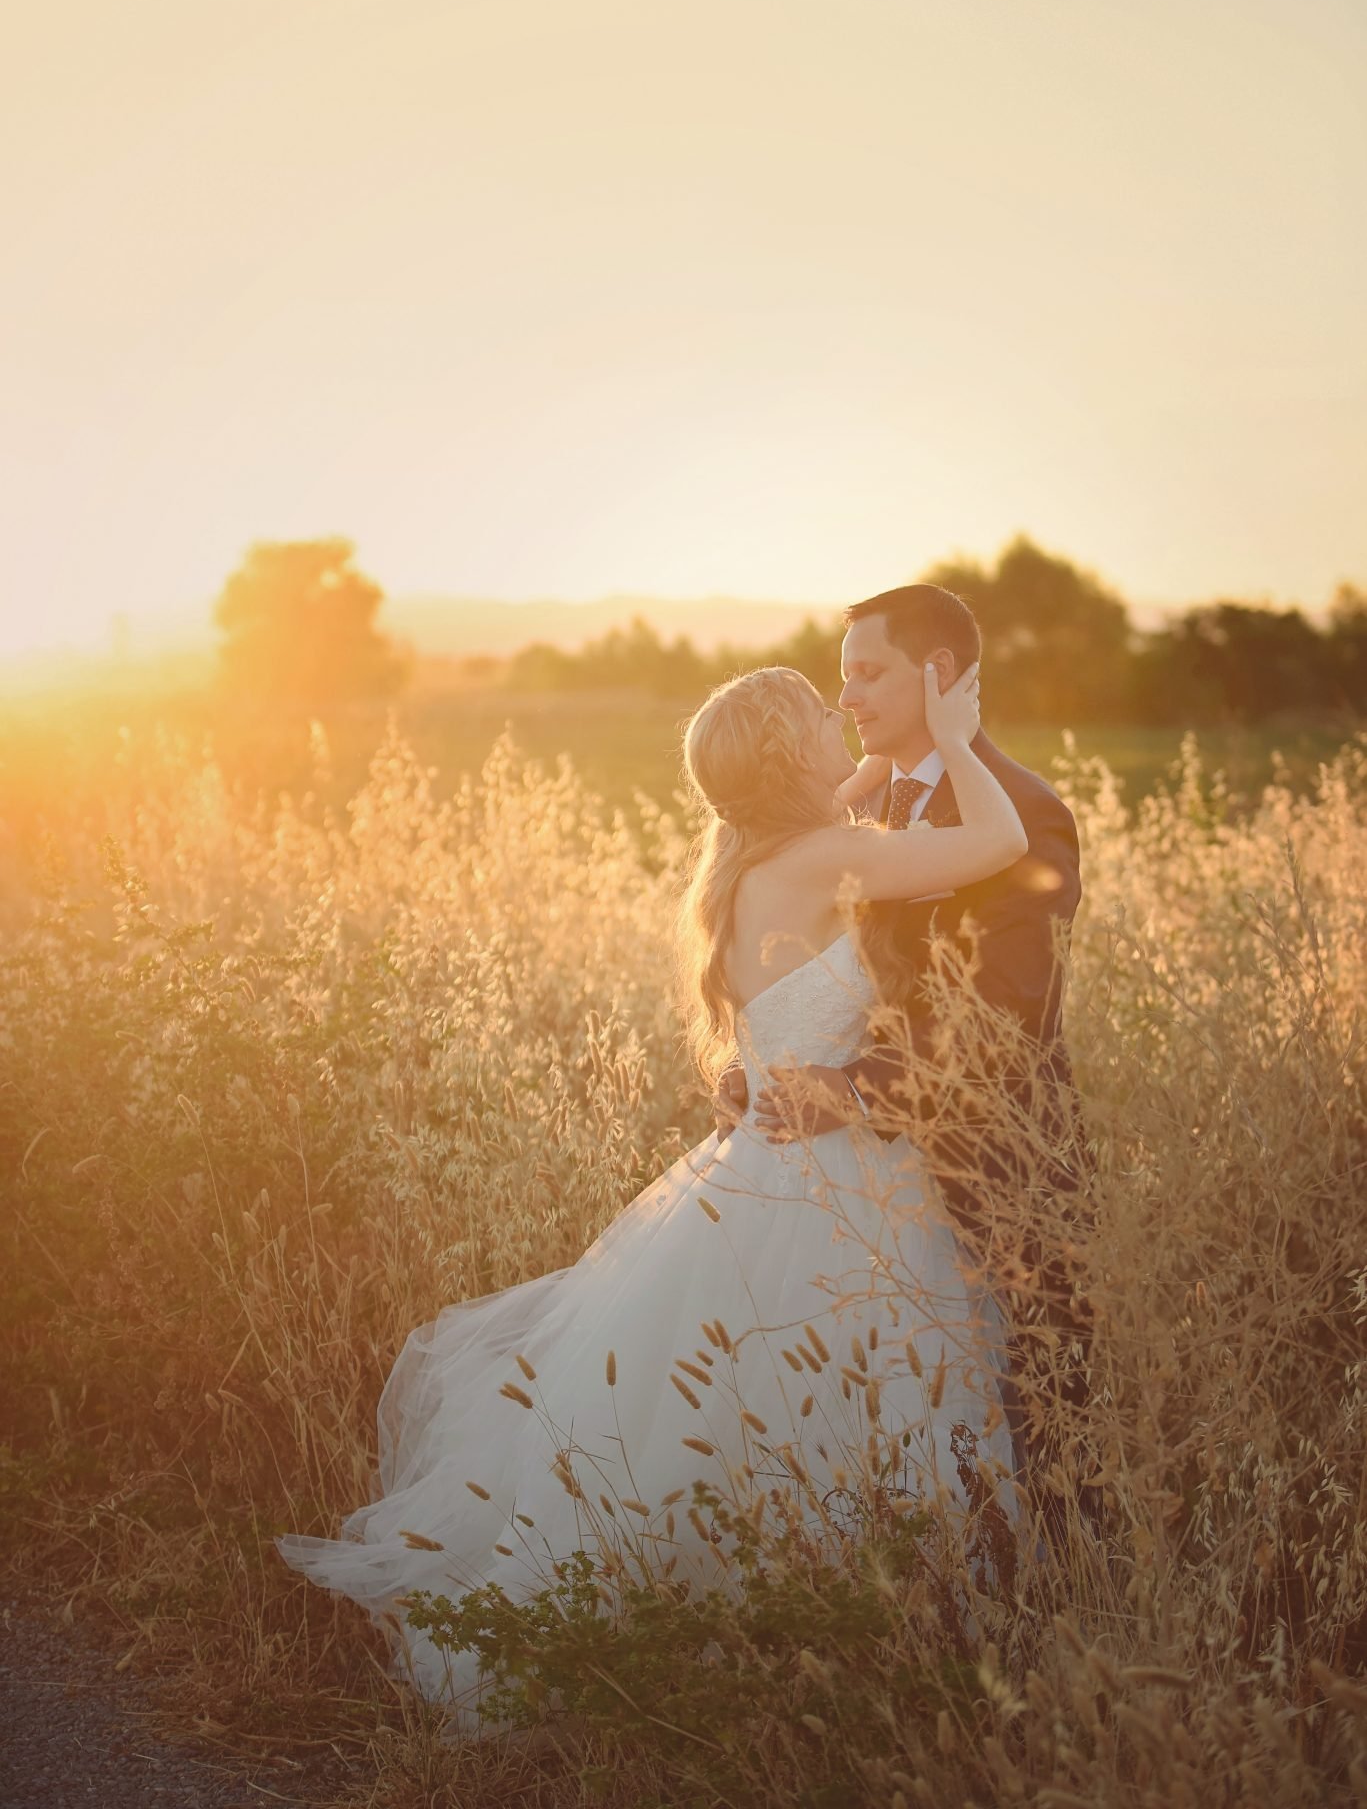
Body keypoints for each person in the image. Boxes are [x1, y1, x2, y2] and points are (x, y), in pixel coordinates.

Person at [278, 655, 1027, 1721]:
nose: (839, 715)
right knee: (854, 1402)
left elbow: (827, 833)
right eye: (822, 711)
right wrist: (951, 734)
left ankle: (735, 1635)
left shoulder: (747, 863)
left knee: (729, 1417)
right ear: (787, 755)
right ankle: (856, 1647)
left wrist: (857, 769)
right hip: (834, 1179)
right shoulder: (829, 856)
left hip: (757, 1167)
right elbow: (997, 843)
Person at [717, 583, 1089, 1493]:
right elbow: (807, 957)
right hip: (864, 1193)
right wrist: (759, 1060)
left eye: (867, 673)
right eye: (840, 678)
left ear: (939, 674)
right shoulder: (855, 812)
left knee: (1034, 1431)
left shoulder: (1024, 812)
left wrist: (850, 1093)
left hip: (995, 1171)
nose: (845, 698)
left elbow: (1004, 1019)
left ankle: (1060, 1610)